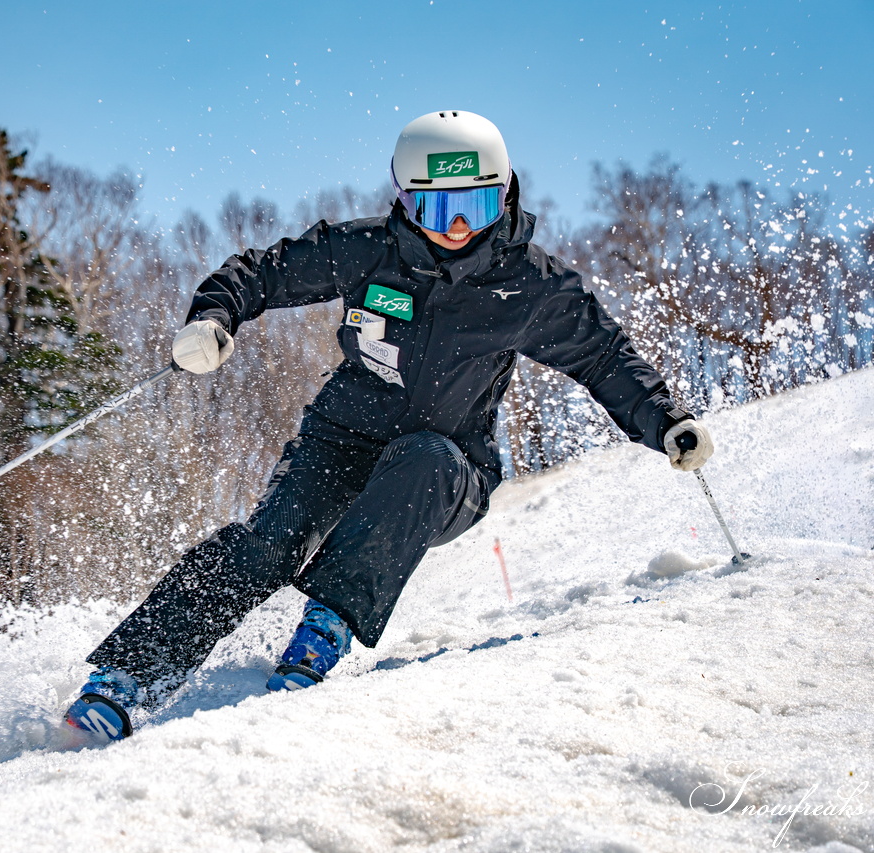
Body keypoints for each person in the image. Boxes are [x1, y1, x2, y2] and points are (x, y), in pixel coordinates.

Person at [63, 110, 714, 740]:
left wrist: (667, 423)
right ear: (405, 201)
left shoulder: (529, 285)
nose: (457, 227)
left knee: (425, 457)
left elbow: (604, 356)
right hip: (340, 440)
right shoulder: (367, 252)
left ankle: (324, 629)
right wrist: (213, 319)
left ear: (506, 194)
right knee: (267, 545)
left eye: (477, 207)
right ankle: (125, 680)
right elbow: (261, 273)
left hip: (450, 470)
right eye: (436, 209)